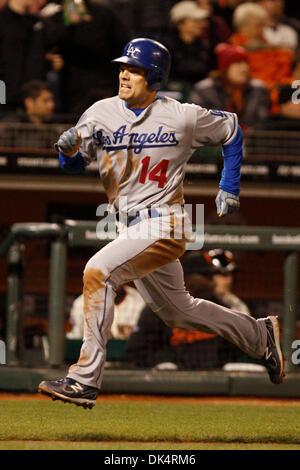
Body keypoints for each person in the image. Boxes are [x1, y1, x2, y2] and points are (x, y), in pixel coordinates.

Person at [38, 37, 285, 409]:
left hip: (165, 223)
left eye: (133, 70)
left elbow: (231, 129)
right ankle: (260, 335)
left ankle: (83, 380)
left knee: (98, 272)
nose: (124, 74)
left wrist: (229, 186)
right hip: (127, 227)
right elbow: (74, 165)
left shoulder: (181, 114)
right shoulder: (99, 112)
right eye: (122, 67)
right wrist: (67, 152)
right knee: (177, 310)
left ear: (153, 76)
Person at [125, 252, 242, 370]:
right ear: (185, 279)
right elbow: (136, 350)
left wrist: (218, 365)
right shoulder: (159, 308)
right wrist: (165, 362)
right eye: (203, 277)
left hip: (212, 380)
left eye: (209, 277)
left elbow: (233, 350)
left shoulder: (220, 308)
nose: (209, 283)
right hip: (168, 382)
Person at [189, 42, 270, 128]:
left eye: (246, 63)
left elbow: (261, 122)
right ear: (225, 69)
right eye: (238, 63)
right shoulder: (204, 89)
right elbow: (198, 121)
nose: (244, 68)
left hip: (251, 139)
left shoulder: (258, 89)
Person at [161, 1, 213, 88]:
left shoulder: (203, 45)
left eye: (200, 21)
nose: (200, 24)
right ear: (180, 23)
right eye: (195, 21)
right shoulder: (167, 45)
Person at [207, 249, 251, 315]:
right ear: (209, 277)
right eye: (224, 275)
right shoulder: (194, 303)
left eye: (231, 275)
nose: (229, 280)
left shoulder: (236, 304)